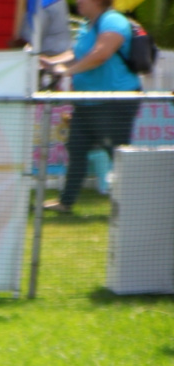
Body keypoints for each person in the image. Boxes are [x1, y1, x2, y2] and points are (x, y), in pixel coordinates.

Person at [43, 0, 143, 215]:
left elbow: (100, 54)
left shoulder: (113, 21)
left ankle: (138, 204)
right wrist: (52, 63)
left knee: (118, 155)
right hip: (87, 102)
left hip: (114, 102)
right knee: (76, 149)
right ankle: (66, 202)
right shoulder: (87, 24)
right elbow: (78, 53)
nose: (78, 1)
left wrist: (68, 72)